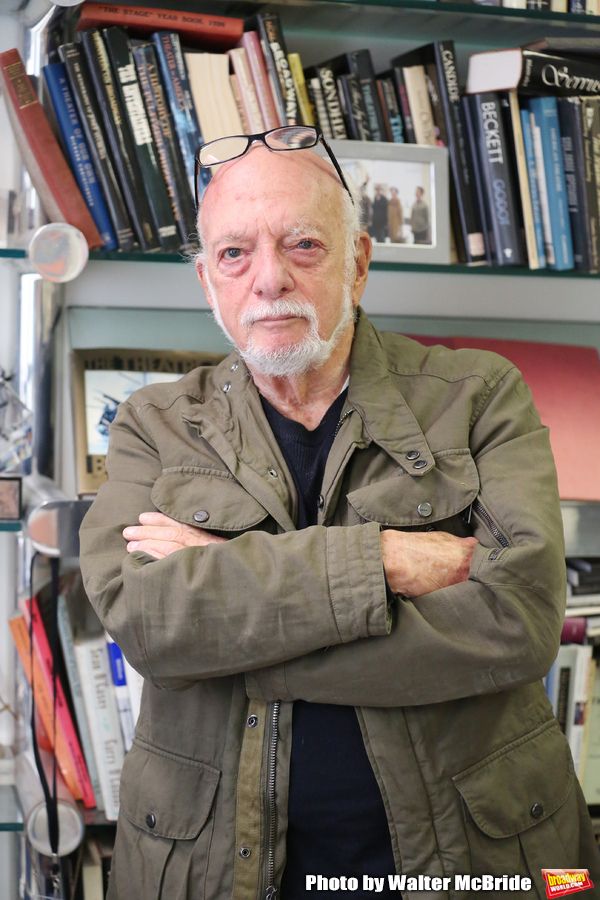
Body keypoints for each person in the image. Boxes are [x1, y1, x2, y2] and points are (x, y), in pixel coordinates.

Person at [79, 125, 600, 900]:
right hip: (213, 870)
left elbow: (517, 621)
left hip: (474, 863)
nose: (268, 279)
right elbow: (147, 621)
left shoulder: (480, 393)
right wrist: (384, 559)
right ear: (206, 282)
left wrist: (230, 621)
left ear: (357, 263)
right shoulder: (152, 424)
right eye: (234, 254)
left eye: (303, 246)